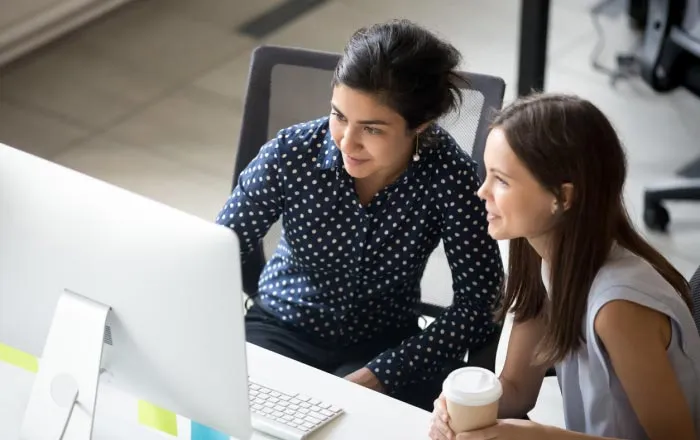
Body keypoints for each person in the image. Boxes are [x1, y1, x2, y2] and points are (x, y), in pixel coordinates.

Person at [215, 19, 504, 411]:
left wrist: (386, 371)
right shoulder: (291, 153)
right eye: (339, 116)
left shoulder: (448, 175)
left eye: (372, 129)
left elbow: (481, 301)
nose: (347, 142)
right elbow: (217, 251)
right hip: (281, 327)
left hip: (384, 345)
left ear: (420, 124)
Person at [429, 93, 700, 439]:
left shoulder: (618, 309)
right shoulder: (537, 255)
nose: (482, 191)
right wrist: (459, 406)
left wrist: (541, 436)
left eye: (502, 180)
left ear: (563, 197)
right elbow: (515, 389)